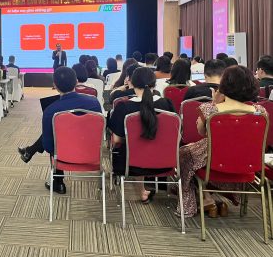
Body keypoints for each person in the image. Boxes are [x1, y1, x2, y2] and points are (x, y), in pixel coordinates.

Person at [178, 66, 266, 218]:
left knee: (184, 155)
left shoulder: (210, 110)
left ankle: (192, 202)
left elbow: (201, 132)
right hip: (246, 164)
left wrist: (214, 102)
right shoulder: (260, 112)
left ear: (224, 85)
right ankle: (211, 198)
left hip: (214, 163)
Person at [17, 66, 102, 194]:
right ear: (76, 82)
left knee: (54, 137)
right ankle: (30, 151)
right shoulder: (94, 103)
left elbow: (48, 146)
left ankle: (58, 182)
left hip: (63, 155)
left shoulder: (51, 110)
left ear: (54, 85)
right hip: (92, 153)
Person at [108, 67, 176, 203]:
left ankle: (142, 191)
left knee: (132, 148)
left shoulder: (123, 107)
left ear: (132, 83)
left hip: (132, 164)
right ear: (154, 84)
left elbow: (116, 140)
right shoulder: (167, 104)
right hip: (166, 162)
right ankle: (145, 191)